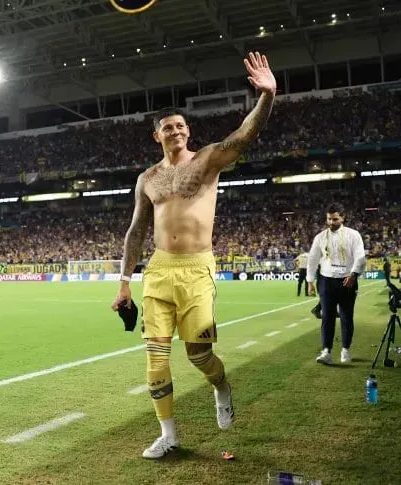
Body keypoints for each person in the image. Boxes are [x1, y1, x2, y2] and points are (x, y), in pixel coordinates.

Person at [111, 51, 276, 459]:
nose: (177, 131)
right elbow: (136, 231)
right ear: (158, 135)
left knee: (199, 354)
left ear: (189, 131)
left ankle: (221, 386)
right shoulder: (146, 179)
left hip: (197, 267)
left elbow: (245, 135)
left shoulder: (207, 160)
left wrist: (267, 95)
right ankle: (168, 434)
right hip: (159, 269)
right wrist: (124, 282)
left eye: (181, 125)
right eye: (169, 127)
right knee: (155, 356)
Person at [306, 203, 367, 365]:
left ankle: (345, 350)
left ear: (343, 218)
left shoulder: (353, 235)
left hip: (348, 280)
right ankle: (326, 351)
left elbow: (360, 256)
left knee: (347, 316)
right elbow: (312, 259)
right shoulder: (320, 237)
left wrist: (354, 274)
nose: (331, 222)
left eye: (335, 219)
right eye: (329, 219)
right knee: (327, 317)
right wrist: (310, 281)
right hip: (326, 280)